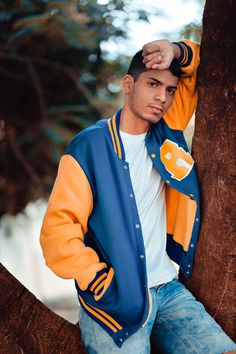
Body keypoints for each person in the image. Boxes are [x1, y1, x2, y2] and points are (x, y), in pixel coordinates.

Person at [40, 39, 236, 353]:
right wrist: (99, 281)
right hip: (116, 301)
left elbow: (198, 61)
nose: (162, 97)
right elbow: (57, 233)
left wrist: (173, 51)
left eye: (170, 89)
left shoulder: (167, 129)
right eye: (153, 84)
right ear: (129, 84)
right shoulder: (90, 147)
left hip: (167, 289)